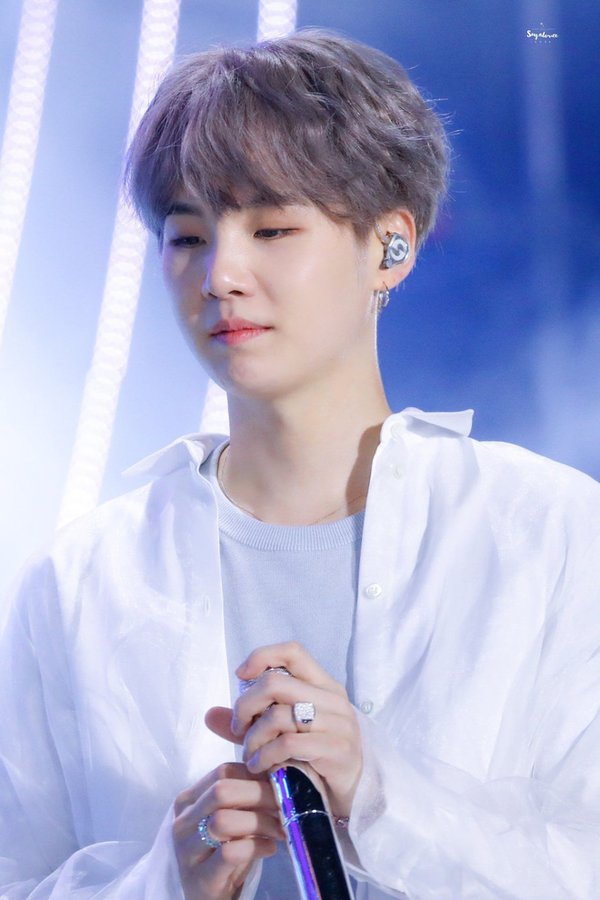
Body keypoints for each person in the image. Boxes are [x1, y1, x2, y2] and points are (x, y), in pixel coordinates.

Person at [1, 27, 599, 900]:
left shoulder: (551, 533)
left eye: (272, 228)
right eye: (186, 237)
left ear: (391, 246)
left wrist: (380, 794)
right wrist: (166, 879)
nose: (221, 275)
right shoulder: (84, 578)